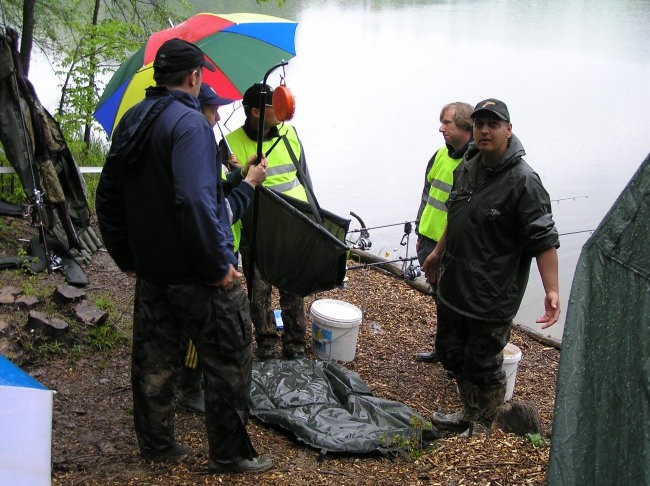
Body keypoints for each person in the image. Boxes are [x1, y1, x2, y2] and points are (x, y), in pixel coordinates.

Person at [95, 38, 272, 473]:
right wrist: (218, 267)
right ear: (194, 78)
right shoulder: (191, 126)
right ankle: (229, 453)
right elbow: (195, 202)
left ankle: (157, 445)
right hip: (196, 275)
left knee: (154, 361)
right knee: (230, 357)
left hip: (153, 272)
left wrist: (125, 256)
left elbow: (107, 196)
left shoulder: (134, 119)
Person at [422, 98, 560, 434]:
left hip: (492, 294)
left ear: (508, 130)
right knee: (450, 353)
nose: (485, 130)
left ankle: (485, 422)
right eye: (480, 124)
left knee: (483, 364)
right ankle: (468, 412)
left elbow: (543, 239)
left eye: (493, 124)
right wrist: (438, 252)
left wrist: (552, 289)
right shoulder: (468, 164)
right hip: (456, 283)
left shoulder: (524, 182)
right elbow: (457, 216)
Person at [176, 83, 267, 414]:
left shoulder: (197, 145)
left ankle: (192, 380)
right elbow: (217, 214)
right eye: (212, 109)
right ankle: (188, 385)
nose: (217, 115)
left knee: (202, 323)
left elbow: (213, 189)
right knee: (201, 324)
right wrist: (249, 185)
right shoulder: (193, 146)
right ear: (198, 111)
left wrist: (240, 172)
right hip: (205, 256)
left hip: (203, 252)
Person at [221, 83, 312, 361]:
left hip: (291, 224)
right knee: (259, 289)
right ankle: (266, 341)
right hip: (255, 227)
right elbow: (220, 193)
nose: (283, 110)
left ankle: (295, 343)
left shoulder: (289, 133)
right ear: (256, 112)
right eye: (276, 105)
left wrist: (311, 216)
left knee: (293, 286)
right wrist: (238, 173)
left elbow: (304, 176)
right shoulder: (229, 145)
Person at [414, 102, 473, 363]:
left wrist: (441, 250)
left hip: (451, 249)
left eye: (447, 123)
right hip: (428, 241)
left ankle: (455, 357)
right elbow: (426, 196)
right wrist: (419, 232)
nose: (441, 128)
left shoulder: (475, 163)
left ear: (464, 125)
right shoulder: (438, 155)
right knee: (440, 299)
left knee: (454, 303)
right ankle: (443, 351)